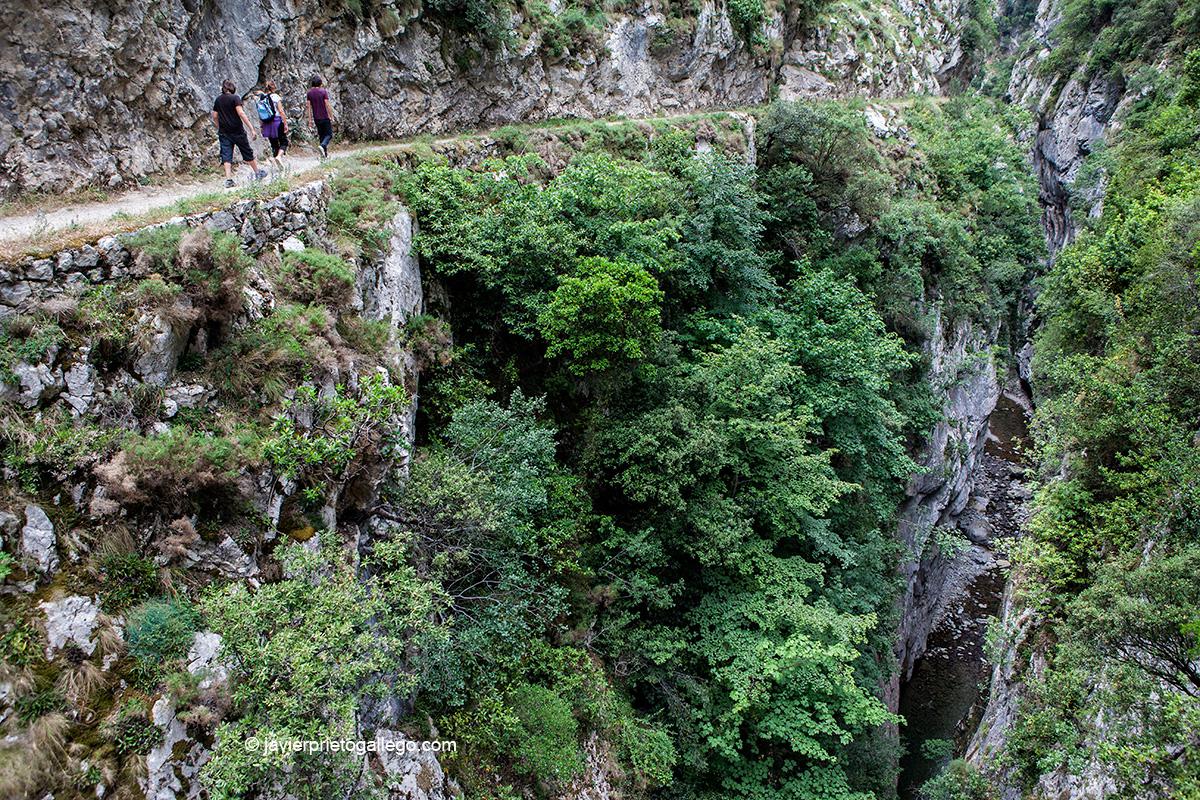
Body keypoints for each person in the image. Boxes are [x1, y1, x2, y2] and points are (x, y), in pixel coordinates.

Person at [212, 79, 266, 187]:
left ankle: (228, 179)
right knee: (246, 151)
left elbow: (214, 116)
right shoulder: (235, 98)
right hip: (237, 131)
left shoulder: (218, 100)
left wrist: (219, 127)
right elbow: (241, 113)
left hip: (224, 132)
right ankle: (257, 172)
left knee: (226, 154)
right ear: (232, 88)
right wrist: (251, 128)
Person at [257, 80, 289, 170]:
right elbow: (281, 111)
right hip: (277, 122)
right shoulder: (275, 97)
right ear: (274, 87)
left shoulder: (262, 98)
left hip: (267, 123)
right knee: (284, 142)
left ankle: (277, 162)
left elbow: (261, 114)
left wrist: (262, 126)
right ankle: (279, 157)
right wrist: (285, 123)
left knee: (274, 143)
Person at [305, 74, 334, 160]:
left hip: (316, 118)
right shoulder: (323, 92)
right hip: (324, 116)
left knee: (321, 135)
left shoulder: (309, 93)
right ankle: (323, 145)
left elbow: (309, 108)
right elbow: (327, 104)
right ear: (320, 83)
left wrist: (310, 121)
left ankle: (324, 155)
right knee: (329, 134)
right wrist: (331, 115)